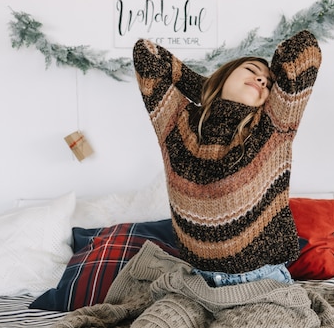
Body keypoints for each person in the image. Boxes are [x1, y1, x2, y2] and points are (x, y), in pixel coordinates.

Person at [133, 30, 322, 287]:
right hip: (196, 282)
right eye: (252, 70)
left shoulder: (273, 125)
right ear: (226, 75)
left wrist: (220, 89)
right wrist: (210, 88)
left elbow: (304, 50)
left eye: (269, 81)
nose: (262, 80)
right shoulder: (177, 124)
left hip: (262, 283)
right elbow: (147, 55)